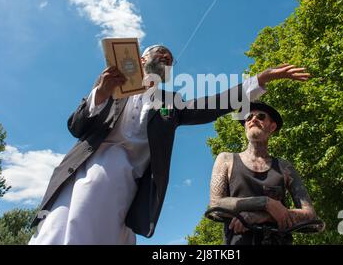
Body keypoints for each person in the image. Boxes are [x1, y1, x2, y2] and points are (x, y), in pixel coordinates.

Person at [29, 44, 310, 244]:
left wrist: (259, 80)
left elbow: (214, 105)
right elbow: (76, 127)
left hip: (131, 185)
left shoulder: (170, 103)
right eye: (160, 53)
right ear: (141, 59)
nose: (167, 57)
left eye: (171, 59)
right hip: (87, 173)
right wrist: (100, 93)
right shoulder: (110, 86)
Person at [209, 102, 317, 245]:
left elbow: (310, 215)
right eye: (248, 117)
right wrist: (266, 203)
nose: (253, 119)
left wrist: (260, 216)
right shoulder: (226, 159)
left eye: (260, 116)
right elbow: (216, 205)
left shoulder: (285, 167)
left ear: (272, 127)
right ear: (245, 126)